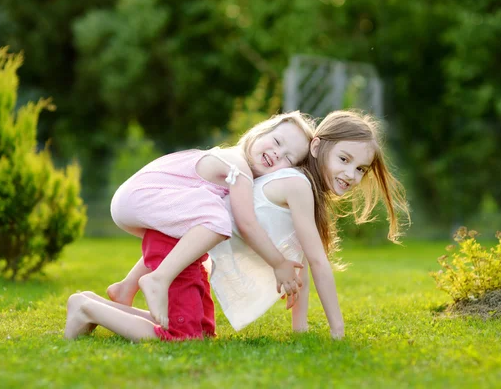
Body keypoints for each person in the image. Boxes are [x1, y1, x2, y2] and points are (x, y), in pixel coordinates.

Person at [64, 111, 314, 341]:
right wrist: (278, 263)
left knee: (201, 331)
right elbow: (246, 224)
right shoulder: (239, 167)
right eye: (277, 142)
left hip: (148, 201)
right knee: (217, 222)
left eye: (288, 158)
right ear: (260, 133)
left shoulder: (232, 163)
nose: (277, 154)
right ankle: (149, 284)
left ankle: (107, 297)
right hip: (144, 195)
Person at [209, 109, 410, 337]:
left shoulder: (301, 186)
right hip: (182, 240)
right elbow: (317, 262)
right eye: (343, 159)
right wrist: (338, 330)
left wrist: (300, 328)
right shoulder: (297, 184)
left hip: (197, 249)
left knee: (195, 327)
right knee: (179, 330)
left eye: (360, 169)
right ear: (316, 147)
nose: (351, 174)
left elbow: (302, 266)